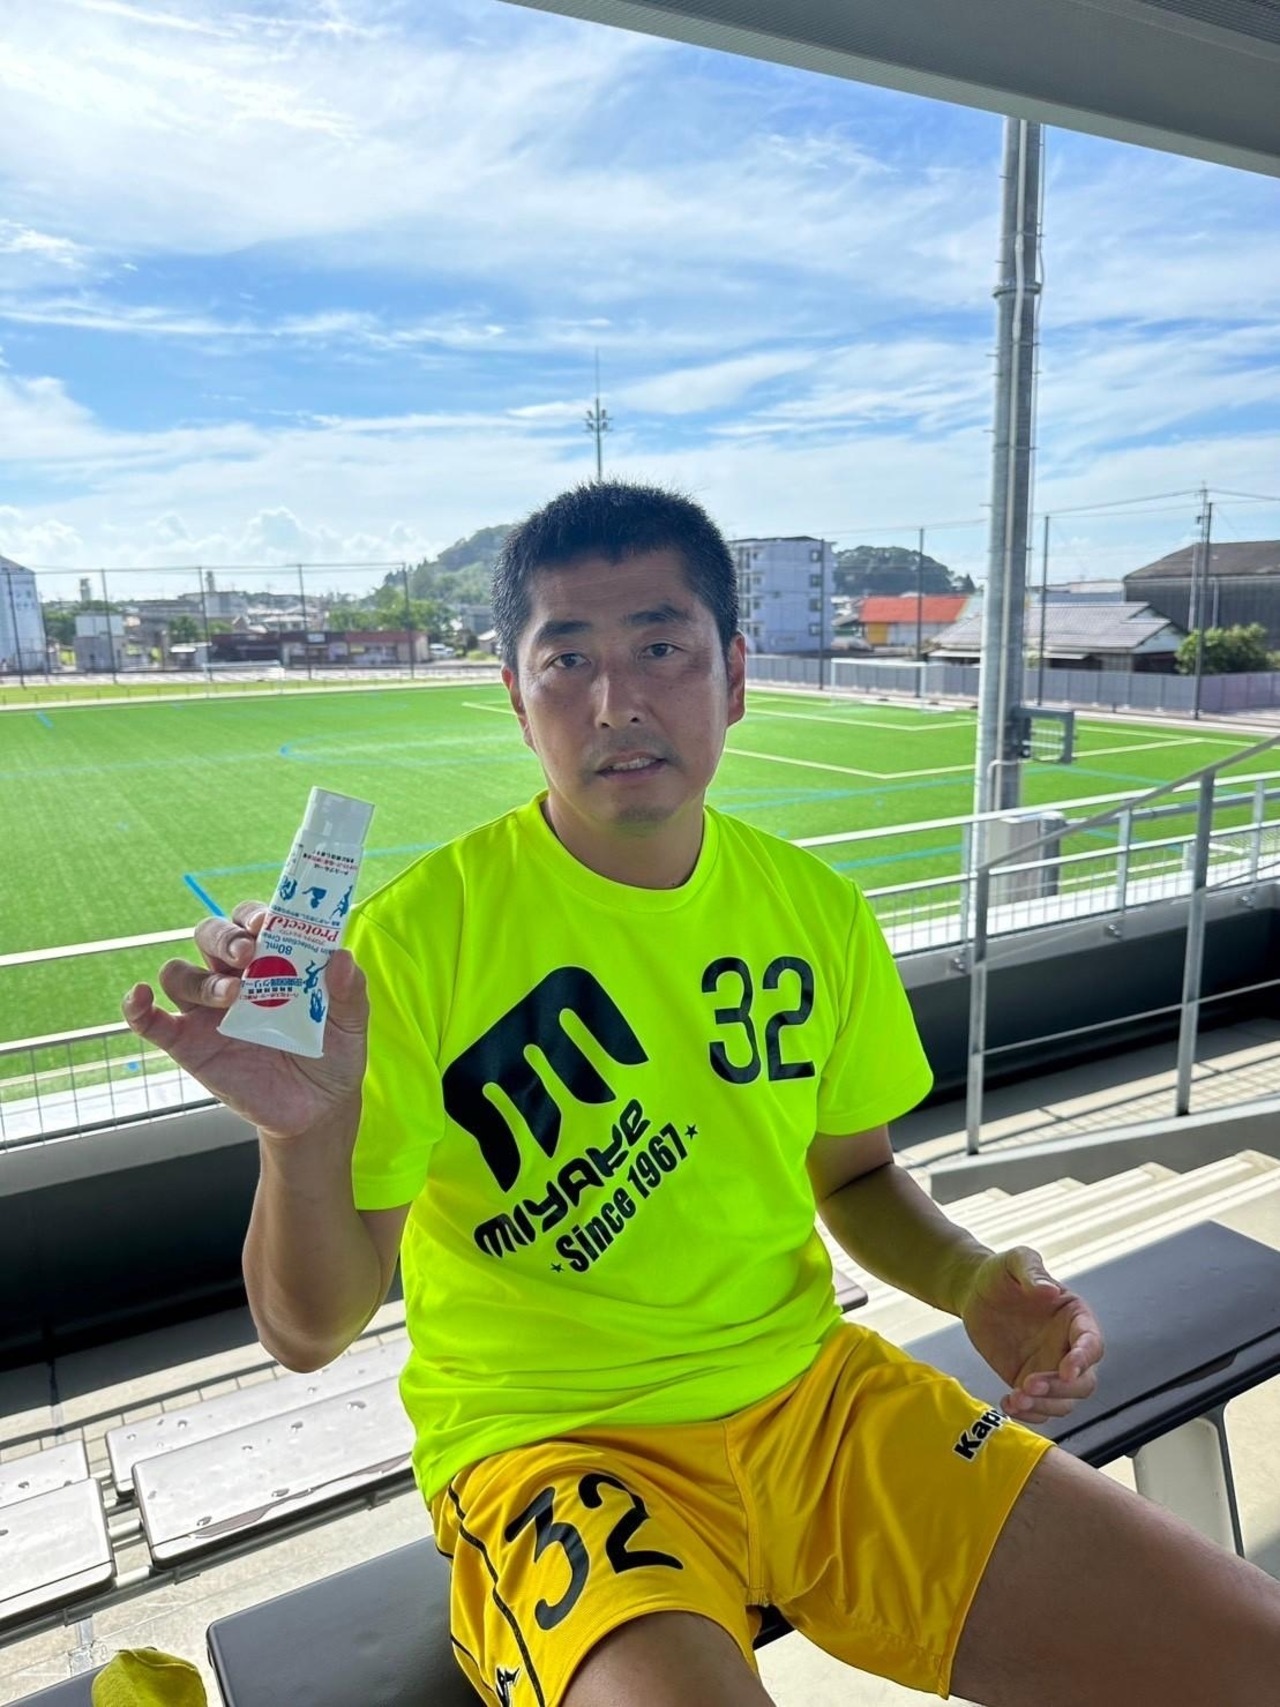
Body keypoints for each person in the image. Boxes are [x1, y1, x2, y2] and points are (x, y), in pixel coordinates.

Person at [124, 482, 1280, 1707]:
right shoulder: (409, 947)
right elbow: (309, 1334)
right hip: (552, 1450)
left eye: (660, 647)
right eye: (567, 658)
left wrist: (966, 1280)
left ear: (731, 675)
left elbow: (853, 1175)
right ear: (516, 699)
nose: (616, 700)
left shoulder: (814, 912)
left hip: (818, 1402)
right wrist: (298, 1142)